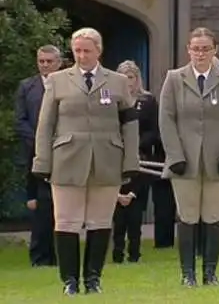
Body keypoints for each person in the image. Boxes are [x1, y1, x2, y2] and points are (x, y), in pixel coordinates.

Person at [31, 28, 140, 295]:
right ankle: (70, 281)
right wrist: (42, 161)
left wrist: (130, 160)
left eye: (86, 50)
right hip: (67, 159)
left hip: (107, 158)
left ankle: (93, 279)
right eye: (77, 50)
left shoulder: (117, 82)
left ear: (98, 51)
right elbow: (46, 124)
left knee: (100, 221)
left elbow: (129, 124)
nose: (81, 56)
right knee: (66, 221)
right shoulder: (57, 80)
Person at [159, 27, 219, 287]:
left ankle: (210, 273)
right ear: (188, 50)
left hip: (216, 161)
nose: (200, 53)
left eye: (205, 48)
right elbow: (166, 118)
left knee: (212, 215)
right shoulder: (174, 79)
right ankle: (188, 274)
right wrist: (174, 154)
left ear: (214, 51)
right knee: (187, 216)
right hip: (184, 161)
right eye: (196, 48)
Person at [15, 45, 62, 268]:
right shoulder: (27, 87)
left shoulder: (66, 84)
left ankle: (58, 256)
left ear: (59, 62)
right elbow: (20, 120)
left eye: (49, 61)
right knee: (40, 207)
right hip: (35, 153)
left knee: (59, 208)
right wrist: (38, 140)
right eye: (41, 61)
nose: (44, 65)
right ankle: (40, 258)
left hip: (63, 152)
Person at [111, 60, 160, 263]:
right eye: (123, 77)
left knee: (134, 212)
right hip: (116, 158)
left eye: (130, 77)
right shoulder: (110, 99)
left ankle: (135, 253)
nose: (127, 81)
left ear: (137, 78)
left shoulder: (147, 101)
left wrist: (137, 143)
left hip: (142, 159)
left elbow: (154, 130)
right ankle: (116, 253)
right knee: (118, 215)